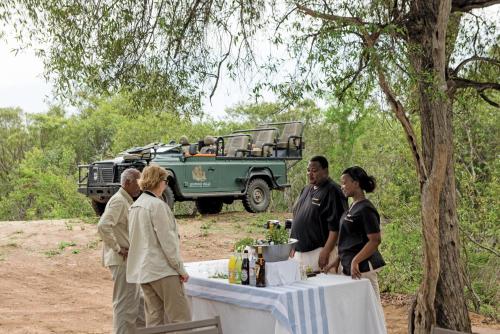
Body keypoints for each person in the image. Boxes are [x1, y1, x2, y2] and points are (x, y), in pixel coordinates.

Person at [126, 164, 191, 326]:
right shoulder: (158, 206)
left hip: (144, 272)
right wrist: (180, 269)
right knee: (181, 319)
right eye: (165, 181)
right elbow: (168, 243)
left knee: (154, 321)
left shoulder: (135, 206)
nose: (166, 184)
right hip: (162, 271)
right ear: (158, 181)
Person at [325, 166, 386, 300]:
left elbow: (375, 240)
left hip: (362, 269)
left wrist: (355, 261)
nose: (342, 186)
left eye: (344, 182)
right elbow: (349, 240)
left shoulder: (366, 209)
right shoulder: (352, 207)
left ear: (356, 183)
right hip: (349, 267)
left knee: (372, 310)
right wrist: (337, 260)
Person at [97, 168, 144, 334]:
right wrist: (118, 248)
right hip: (122, 261)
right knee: (125, 306)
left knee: (137, 305)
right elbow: (103, 225)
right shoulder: (119, 201)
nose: (140, 186)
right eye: (138, 182)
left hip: (129, 261)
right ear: (127, 182)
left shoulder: (127, 200)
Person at [290, 156, 347, 272]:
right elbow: (297, 218)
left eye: (314, 171)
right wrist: (292, 245)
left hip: (320, 253)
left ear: (325, 171)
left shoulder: (333, 191)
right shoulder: (306, 189)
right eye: (308, 170)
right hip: (300, 253)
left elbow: (336, 227)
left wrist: (326, 251)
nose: (310, 174)